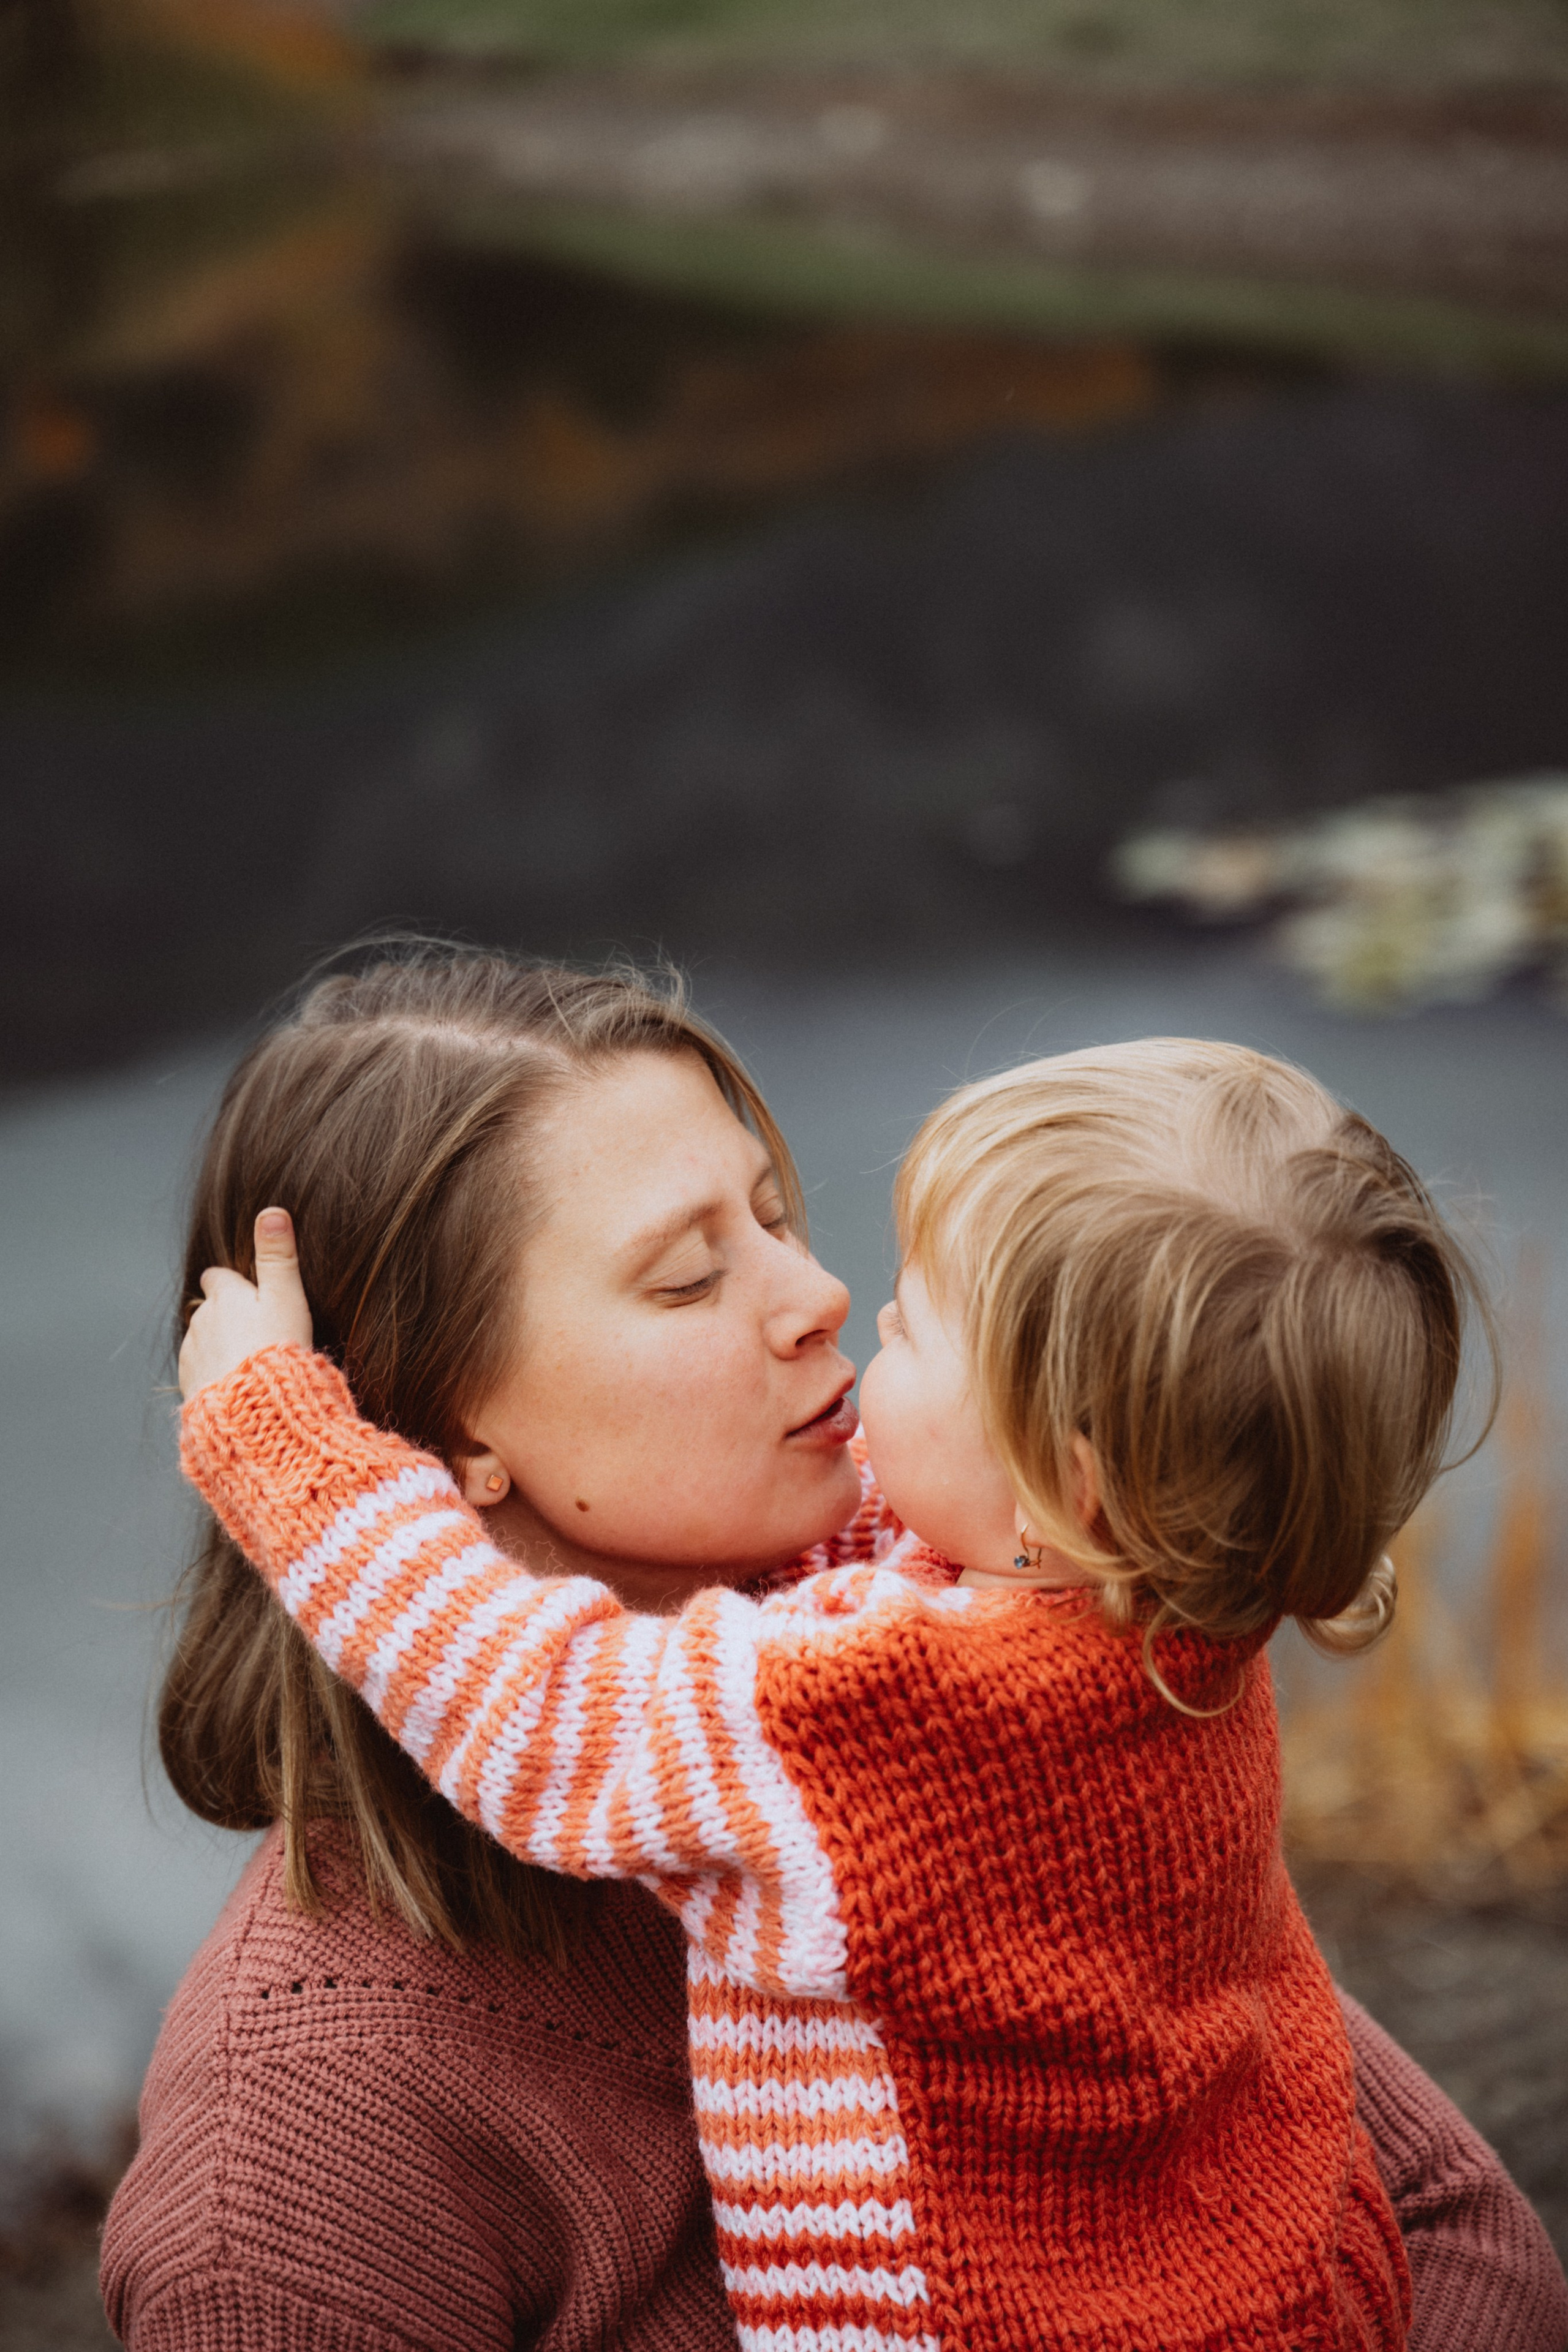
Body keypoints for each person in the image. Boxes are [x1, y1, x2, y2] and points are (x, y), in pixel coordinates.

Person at [155, 954, 1568, 2352]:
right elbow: (545, 1701)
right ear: (439, 1426)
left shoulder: (970, 1699)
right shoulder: (294, 2166)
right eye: (690, 1277)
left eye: (776, 1216)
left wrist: (280, 1439)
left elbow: (1450, 2223)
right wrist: (294, 1436)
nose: (823, 1293)